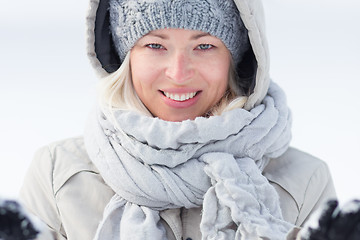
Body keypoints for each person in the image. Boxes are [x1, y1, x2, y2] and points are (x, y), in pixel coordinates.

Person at [4, 0, 346, 239]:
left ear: (236, 60)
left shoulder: (304, 180)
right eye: (155, 45)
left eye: (205, 46)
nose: (179, 73)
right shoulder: (58, 173)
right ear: (127, 58)